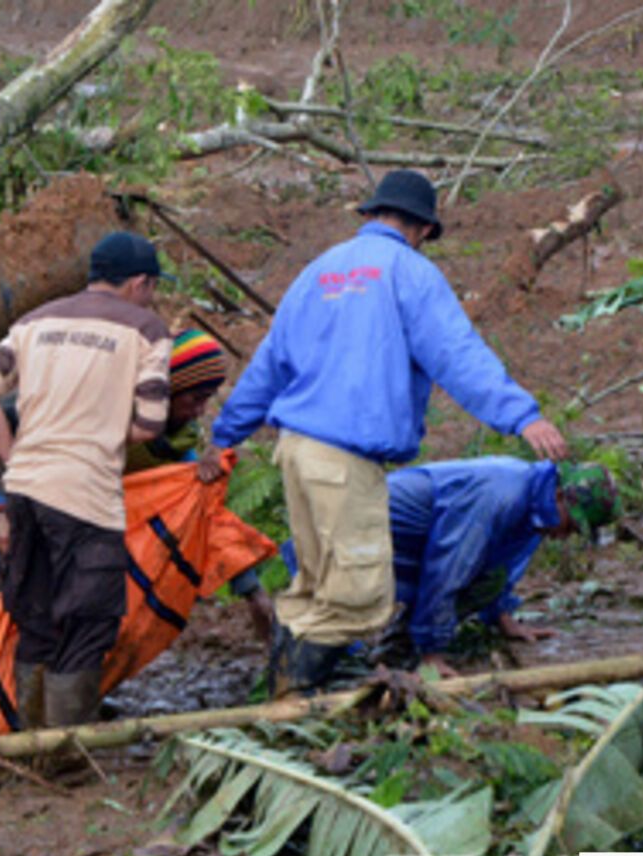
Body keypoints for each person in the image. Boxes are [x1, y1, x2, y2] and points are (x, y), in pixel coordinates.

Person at [200, 169, 569, 696]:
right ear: (421, 228)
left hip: (297, 451)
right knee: (357, 595)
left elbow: (269, 363)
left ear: (372, 214)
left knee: (316, 590)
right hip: (344, 458)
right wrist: (521, 415)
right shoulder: (408, 273)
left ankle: (283, 700)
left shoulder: (318, 272)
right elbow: (456, 354)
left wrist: (226, 434)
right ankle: (290, 700)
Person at [0, 231, 172, 728]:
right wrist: (100, 434)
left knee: (36, 616)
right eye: (151, 288)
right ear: (139, 283)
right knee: (88, 622)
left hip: (27, 487)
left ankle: (28, 741)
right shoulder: (147, 330)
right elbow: (150, 423)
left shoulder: (34, 321)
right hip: (85, 496)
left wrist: (16, 458)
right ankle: (64, 750)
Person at [0, 328, 275, 640]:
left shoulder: (178, 442)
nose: (199, 411)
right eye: (194, 399)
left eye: (206, 400)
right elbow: (6, 413)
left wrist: (252, 591)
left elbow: (207, 515)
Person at [386, 458, 620, 667]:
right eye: (570, 525)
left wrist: (503, 617)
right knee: (357, 600)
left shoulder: (534, 507)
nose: (565, 535)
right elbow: (446, 570)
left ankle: (405, 639)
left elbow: (500, 569)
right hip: (375, 522)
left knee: (488, 579)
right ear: (559, 496)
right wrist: (432, 654)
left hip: (418, 537)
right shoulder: (501, 496)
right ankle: (403, 647)